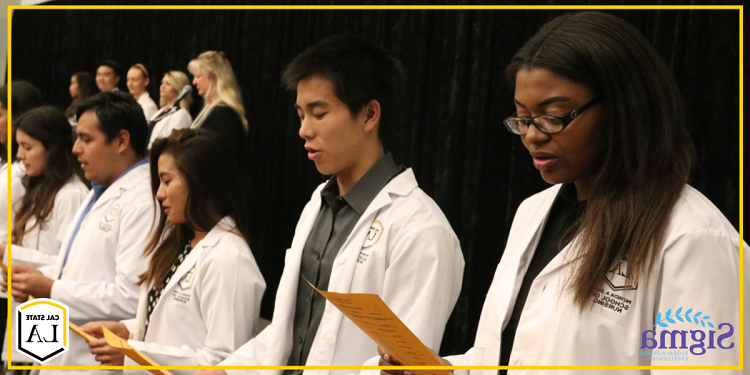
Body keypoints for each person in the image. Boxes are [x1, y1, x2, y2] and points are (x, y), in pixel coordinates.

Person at [378, 11, 747, 374]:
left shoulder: (693, 239)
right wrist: (441, 368)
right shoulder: (533, 212)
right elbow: (503, 357)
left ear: (623, 107)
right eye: (522, 117)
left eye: (553, 116)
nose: (533, 135)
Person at [196, 35, 465, 375]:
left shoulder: (421, 229)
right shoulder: (317, 205)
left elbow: (401, 364)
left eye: (318, 114)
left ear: (369, 114)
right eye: (300, 115)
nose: (304, 130)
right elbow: (287, 333)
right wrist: (226, 370)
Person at [79, 129, 265, 375]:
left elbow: (223, 362)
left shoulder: (229, 259)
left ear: (200, 181)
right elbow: (169, 327)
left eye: (167, 181)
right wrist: (128, 331)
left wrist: (134, 353)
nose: (159, 194)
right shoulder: (179, 243)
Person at [8, 91, 158, 374]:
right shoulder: (100, 189)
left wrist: (50, 288)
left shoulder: (142, 201)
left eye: (86, 139)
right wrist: (33, 276)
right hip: (60, 347)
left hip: (91, 361)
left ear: (122, 141)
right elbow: (71, 267)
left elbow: (131, 297)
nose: (76, 148)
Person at [0, 107, 89, 372]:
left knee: (35, 365)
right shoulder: (39, 188)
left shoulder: (71, 194)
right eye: (18, 146)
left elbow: (67, 264)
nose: (19, 155)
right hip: (29, 306)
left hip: (51, 309)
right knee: (22, 365)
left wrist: (8, 253)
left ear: (51, 148)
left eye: (27, 147)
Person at [187, 51, 247, 163]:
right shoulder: (210, 109)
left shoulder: (223, 114)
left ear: (214, 77)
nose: (194, 82)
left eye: (198, 76)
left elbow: (222, 157)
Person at [147, 71, 193, 150]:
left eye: (168, 84)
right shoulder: (160, 111)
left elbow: (173, 145)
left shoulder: (181, 115)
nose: (162, 87)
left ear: (178, 88)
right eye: (162, 83)